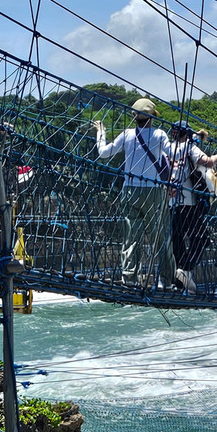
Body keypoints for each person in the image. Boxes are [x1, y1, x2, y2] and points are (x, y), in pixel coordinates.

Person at [93, 98, 175, 289]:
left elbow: (104, 153)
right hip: (153, 192)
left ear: (134, 117)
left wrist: (101, 133)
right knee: (161, 237)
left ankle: (128, 280)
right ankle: (167, 281)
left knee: (131, 238)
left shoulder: (127, 134)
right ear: (153, 117)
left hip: (129, 191)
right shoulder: (160, 134)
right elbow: (174, 153)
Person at [167, 123, 217, 293]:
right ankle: (185, 271)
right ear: (187, 135)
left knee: (177, 243)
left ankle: (179, 283)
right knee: (202, 239)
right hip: (188, 203)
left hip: (171, 205)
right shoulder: (189, 148)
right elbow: (209, 162)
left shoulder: (166, 148)